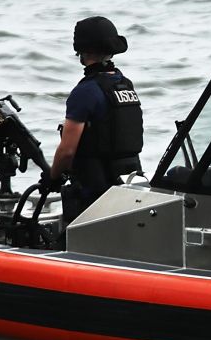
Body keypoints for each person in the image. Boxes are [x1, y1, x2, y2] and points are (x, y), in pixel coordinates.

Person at [46, 16, 144, 223]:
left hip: (94, 194)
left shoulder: (86, 92)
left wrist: (51, 178)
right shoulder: (125, 85)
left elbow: (67, 151)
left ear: (83, 52)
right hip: (129, 187)